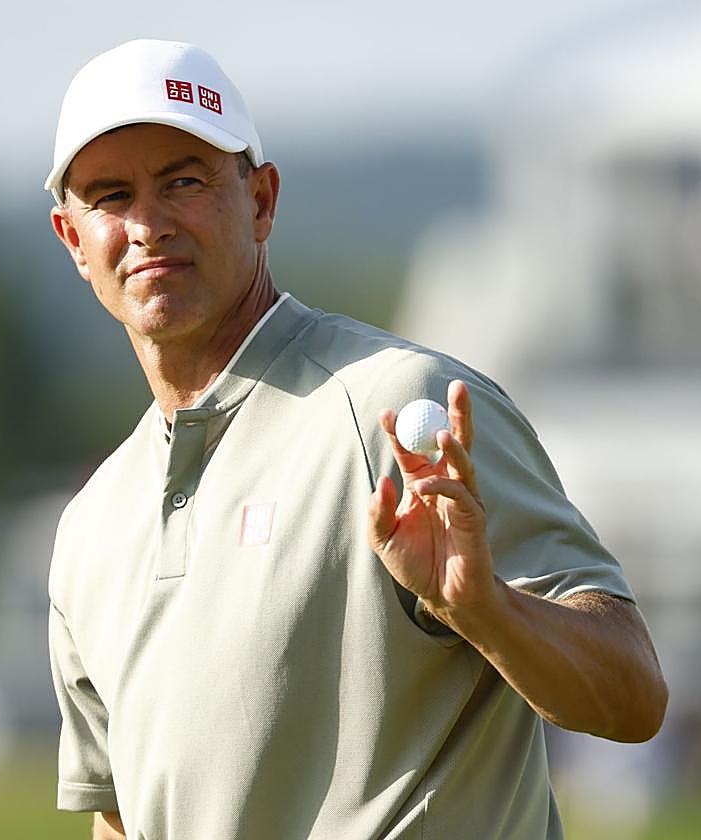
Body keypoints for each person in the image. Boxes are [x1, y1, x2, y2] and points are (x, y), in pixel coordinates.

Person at [44, 39, 667, 840]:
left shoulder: (401, 406)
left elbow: (634, 694)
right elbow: (122, 823)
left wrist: (487, 611)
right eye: (111, 195)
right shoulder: (92, 525)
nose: (148, 224)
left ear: (262, 200)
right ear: (71, 237)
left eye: (185, 181)